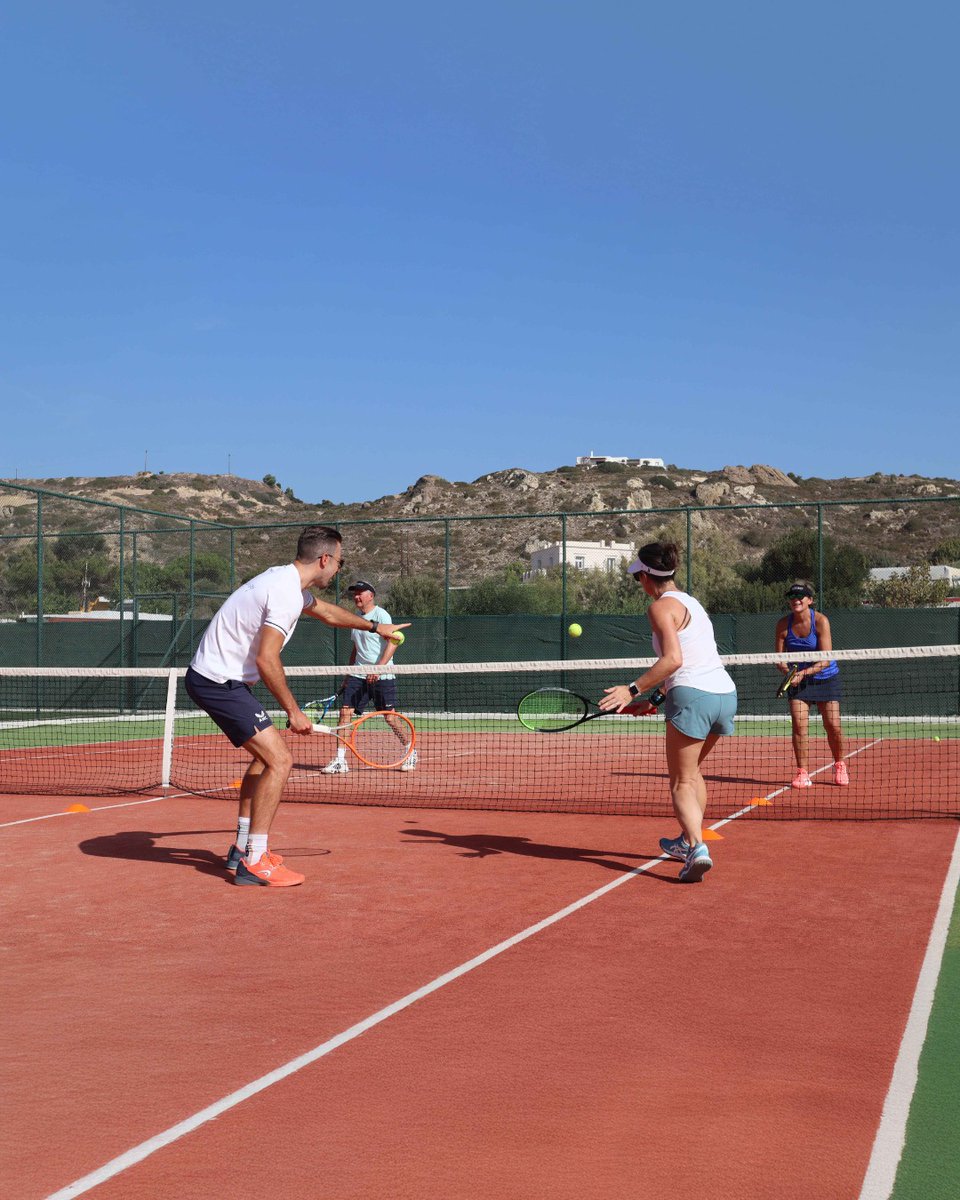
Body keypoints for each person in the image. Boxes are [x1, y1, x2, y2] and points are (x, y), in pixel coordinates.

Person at [185, 527, 410, 886]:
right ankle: (255, 860)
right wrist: (293, 711)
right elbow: (266, 657)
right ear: (324, 559)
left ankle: (242, 848)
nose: (338, 570)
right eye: (339, 562)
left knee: (263, 758)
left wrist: (374, 627)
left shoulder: (286, 583)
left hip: (219, 679)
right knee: (281, 760)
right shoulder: (285, 593)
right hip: (218, 681)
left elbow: (328, 613)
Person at [599, 541, 737, 883]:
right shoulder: (693, 603)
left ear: (647, 576)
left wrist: (630, 689)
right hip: (724, 694)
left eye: (638, 578)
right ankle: (687, 840)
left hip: (694, 696)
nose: (638, 584)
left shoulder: (660, 608)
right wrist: (656, 700)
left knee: (681, 781)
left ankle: (697, 849)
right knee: (693, 774)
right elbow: (690, 656)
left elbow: (673, 660)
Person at [322, 580, 417, 774]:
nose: (356, 596)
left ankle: (410, 751)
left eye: (360, 593)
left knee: (389, 718)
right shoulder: (355, 619)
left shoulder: (381, 615)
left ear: (371, 596)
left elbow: (395, 641)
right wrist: (349, 673)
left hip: (383, 675)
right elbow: (356, 649)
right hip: (358, 673)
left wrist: (379, 668)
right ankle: (340, 760)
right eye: (355, 593)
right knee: (345, 713)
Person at [775, 580, 848, 788]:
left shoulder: (821, 622)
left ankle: (840, 764)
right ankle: (802, 773)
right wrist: (787, 672)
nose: (795, 600)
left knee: (832, 726)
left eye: (800, 596)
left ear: (810, 600)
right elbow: (778, 658)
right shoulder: (782, 624)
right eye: (792, 597)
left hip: (825, 678)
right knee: (799, 726)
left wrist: (803, 673)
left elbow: (825, 660)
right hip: (798, 683)